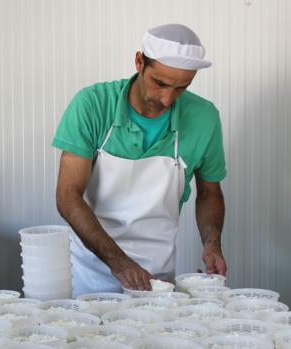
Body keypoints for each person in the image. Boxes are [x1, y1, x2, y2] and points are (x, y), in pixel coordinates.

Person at [52, 24, 227, 296]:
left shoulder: (204, 118)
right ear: (139, 62)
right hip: (92, 271)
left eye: (181, 87)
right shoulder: (93, 105)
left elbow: (209, 193)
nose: (167, 99)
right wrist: (120, 263)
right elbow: (67, 195)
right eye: (160, 83)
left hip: (156, 276)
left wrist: (212, 243)